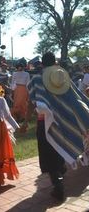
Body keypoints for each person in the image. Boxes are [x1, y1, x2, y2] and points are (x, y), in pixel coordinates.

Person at [21, 52, 89, 201]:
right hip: (63, 121)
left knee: (47, 153)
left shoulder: (36, 79)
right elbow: (75, 98)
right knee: (60, 145)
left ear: (42, 64)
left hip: (44, 121)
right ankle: (61, 169)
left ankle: (57, 184)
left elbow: (32, 103)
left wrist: (25, 122)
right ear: (55, 62)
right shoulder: (63, 77)